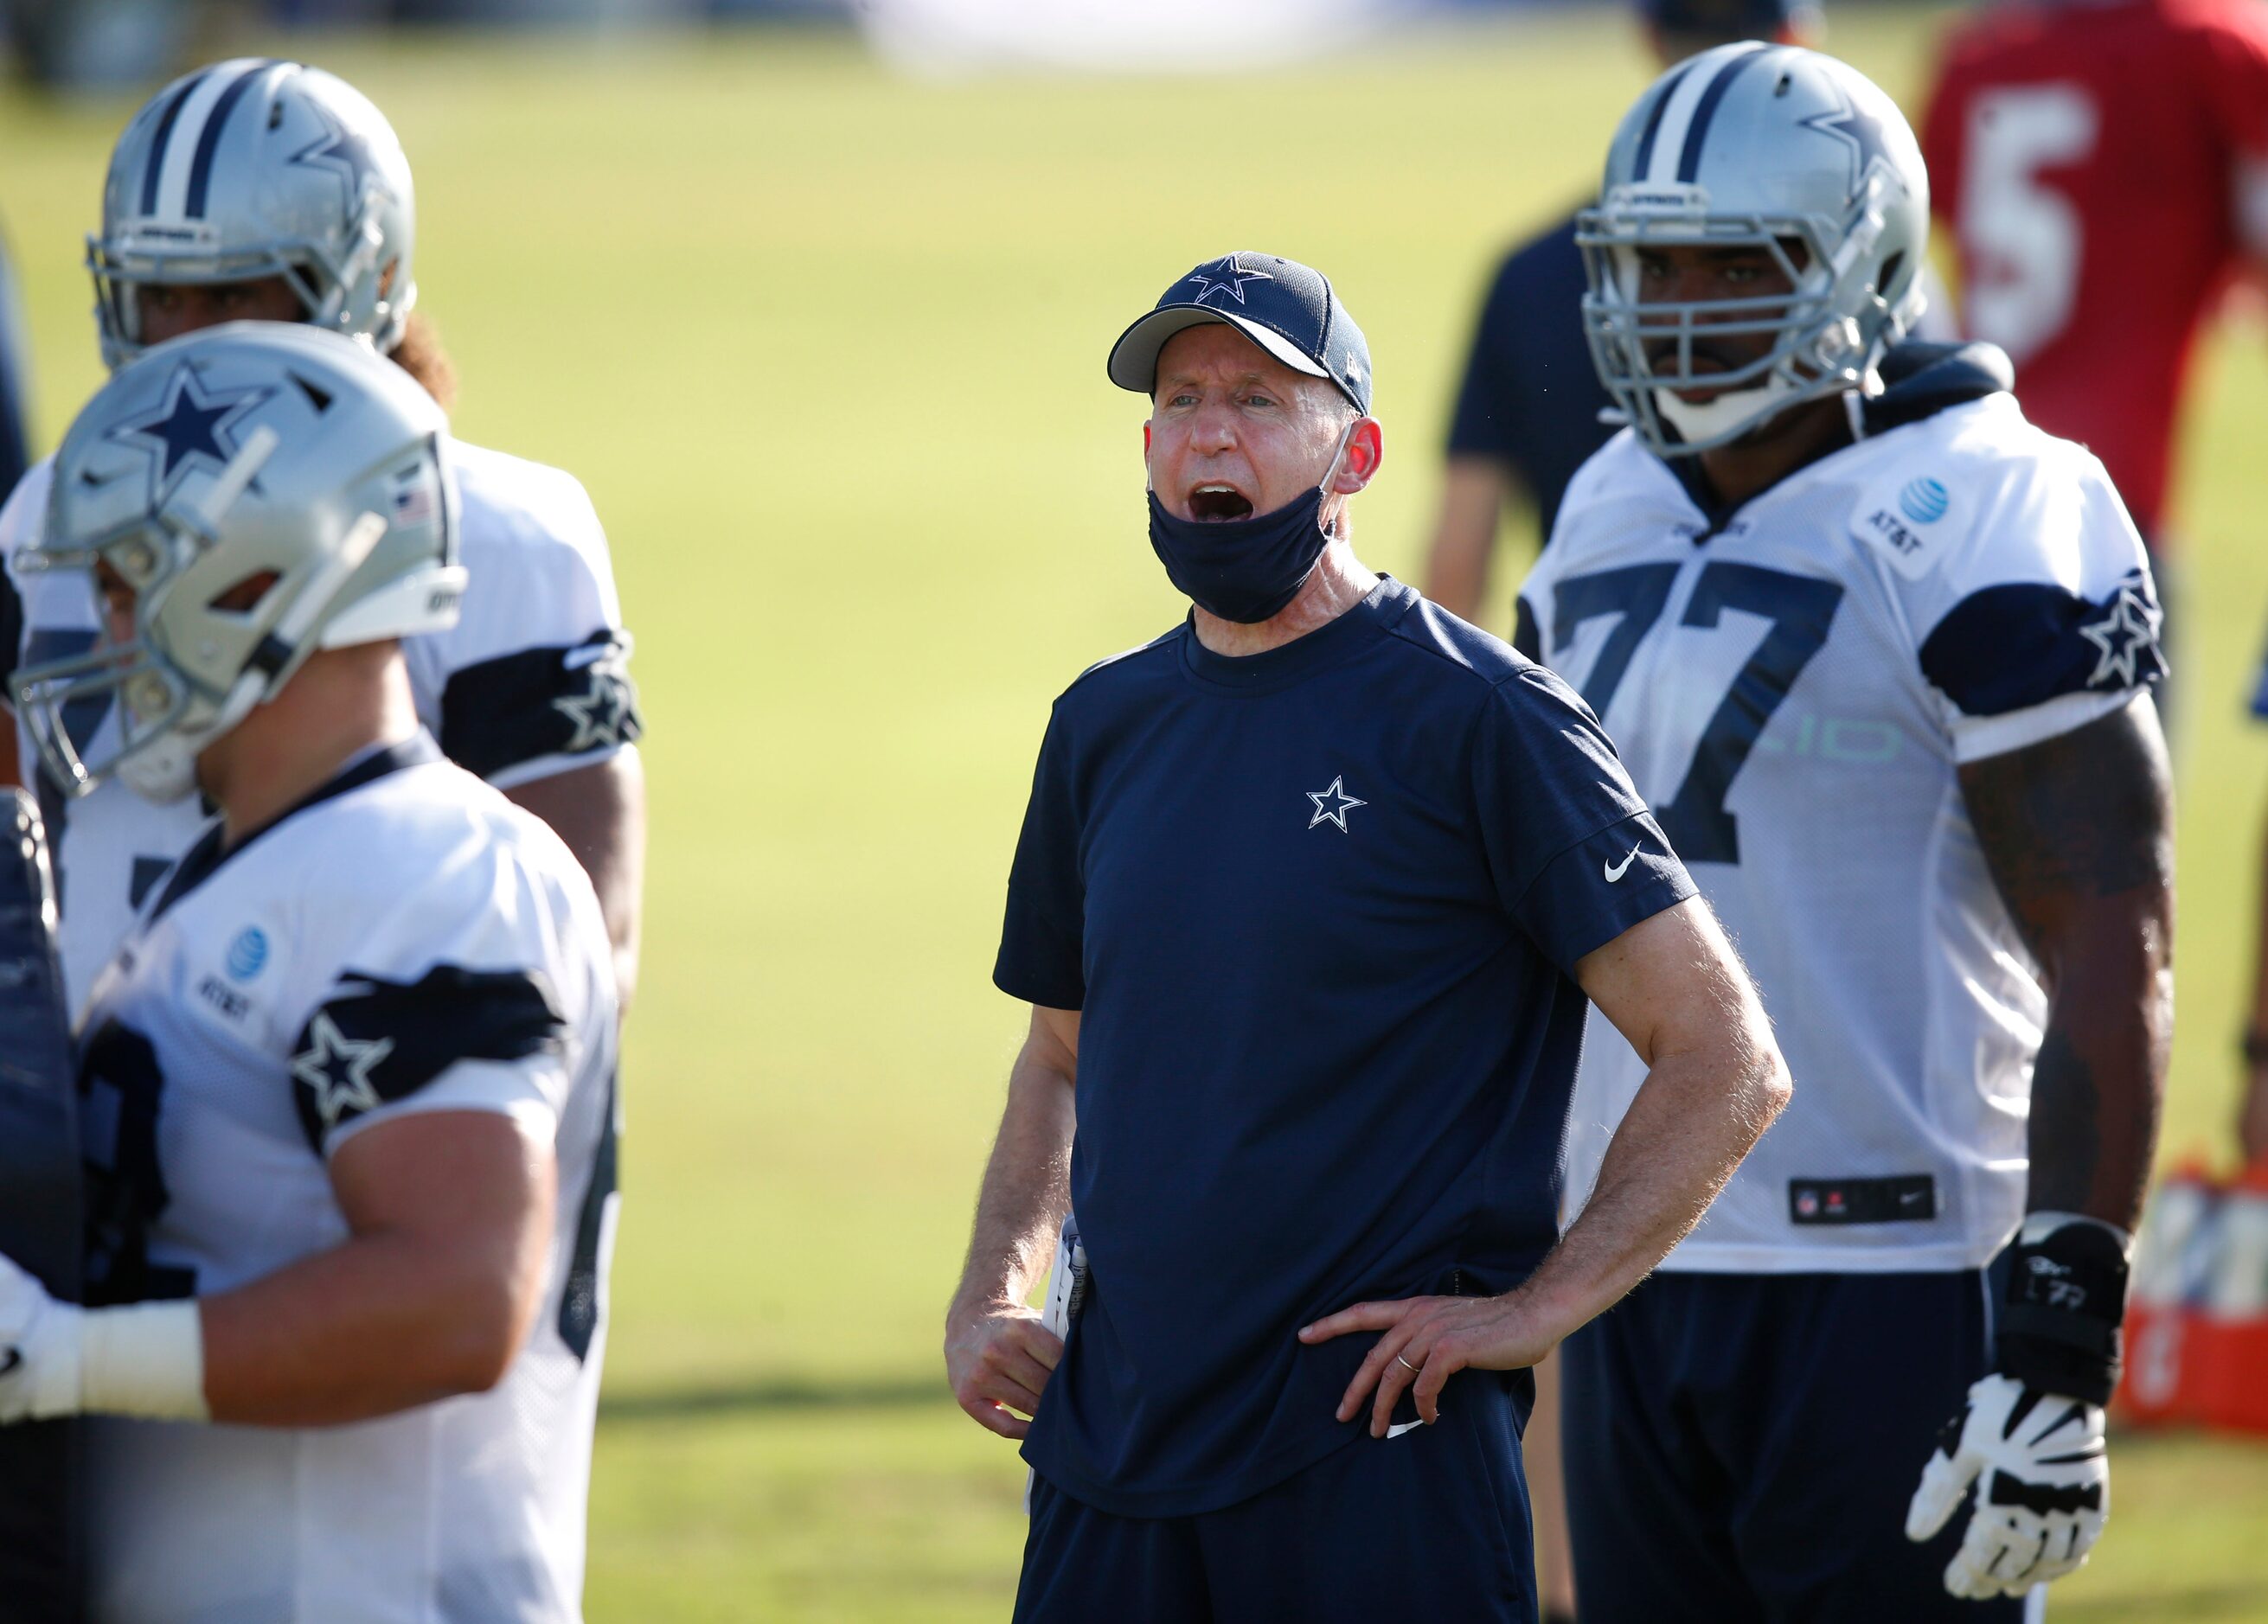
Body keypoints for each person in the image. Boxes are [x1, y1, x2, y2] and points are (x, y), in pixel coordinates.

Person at [944, 250, 1793, 1621]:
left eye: (1263, 400)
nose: (1211, 431)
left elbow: (1724, 1054)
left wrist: (1534, 1309)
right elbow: (1057, 1056)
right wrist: (995, 1287)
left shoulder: (1479, 718)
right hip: (1107, 1460)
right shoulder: (1100, 726)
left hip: (1373, 1470)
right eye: (1182, 399)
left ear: (1358, 452)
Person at [1520, 43, 2173, 1619]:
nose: (1675, 302)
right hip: (1633, 1251)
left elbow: (2108, 929)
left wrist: (2063, 1332)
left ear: (1862, 264)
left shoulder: (1995, 505)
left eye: (1732, 262)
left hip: (1893, 1267)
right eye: (1645, 261)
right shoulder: (1609, 492)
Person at [0, 321, 619, 1621]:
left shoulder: (432, 873)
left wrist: (68, 1356)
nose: (99, 623)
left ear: (254, 581)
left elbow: (457, 1292)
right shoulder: (254, 872)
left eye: (126, 578)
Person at [0, 57, 644, 1019]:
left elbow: (581, 958)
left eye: (230, 299)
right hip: (92, 1121)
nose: (186, 350)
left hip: (358, 1117)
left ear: (363, 287)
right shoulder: (52, 514)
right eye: (158, 299)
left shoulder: (503, 536)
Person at [1919, 0, 2268, 724]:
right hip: (2108, 516)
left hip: (1957, 500)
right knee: (2114, 823)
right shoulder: (2204, 45)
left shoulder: (1979, 53)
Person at [1422, 0, 1822, 629]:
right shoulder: (1844, 263)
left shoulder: (1531, 272)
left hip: (1579, 691)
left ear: (1651, 37)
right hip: (1810, 700)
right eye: (1661, 273)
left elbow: (1458, 563)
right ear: (1797, 38)